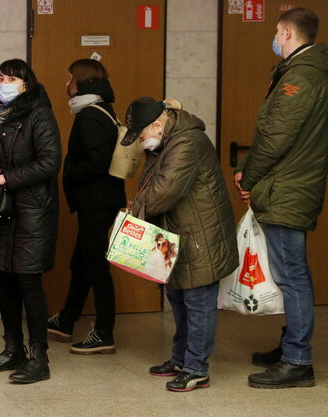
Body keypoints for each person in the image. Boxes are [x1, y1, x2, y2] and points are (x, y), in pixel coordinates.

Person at [234, 8, 328, 389]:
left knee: (292, 275)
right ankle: (290, 346)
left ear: (288, 33)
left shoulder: (301, 77)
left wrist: (250, 174)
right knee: (289, 273)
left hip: (288, 188)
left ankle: (298, 359)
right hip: (290, 186)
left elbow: (276, 136)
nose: (275, 39)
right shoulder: (306, 73)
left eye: (277, 33)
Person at [123, 97, 238, 392]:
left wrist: (131, 213)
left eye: (142, 136)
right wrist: (154, 146)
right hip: (175, 234)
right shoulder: (168, 142)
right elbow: (150, 181)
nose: (140, 144)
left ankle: (196, 368)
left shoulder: (188, 143)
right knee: (178, 300)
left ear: (159, 125)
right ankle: (180, 358)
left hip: (200, 234)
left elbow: (163, 191)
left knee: (198, 303)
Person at [0, 59, 61, 384]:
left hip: (32, 210)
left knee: (28, 281)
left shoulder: (39, 114)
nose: (4, 83)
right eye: (1, 77)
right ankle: (12, 349)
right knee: (4, 278)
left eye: (12, 78)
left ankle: (39, 358)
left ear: (26, 83)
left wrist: (3, 178)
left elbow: (50, 162)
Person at [46, 59, 126, 355]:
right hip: (100, 201)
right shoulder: (102, 109)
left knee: (95, 266)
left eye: (69, 78)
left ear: (79, 81)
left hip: (96, 201)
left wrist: (69, 170)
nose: (66, 83)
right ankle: (66, 320)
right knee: (81, 262)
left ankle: (104, 332)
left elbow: (96, 162)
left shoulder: (90, 115)